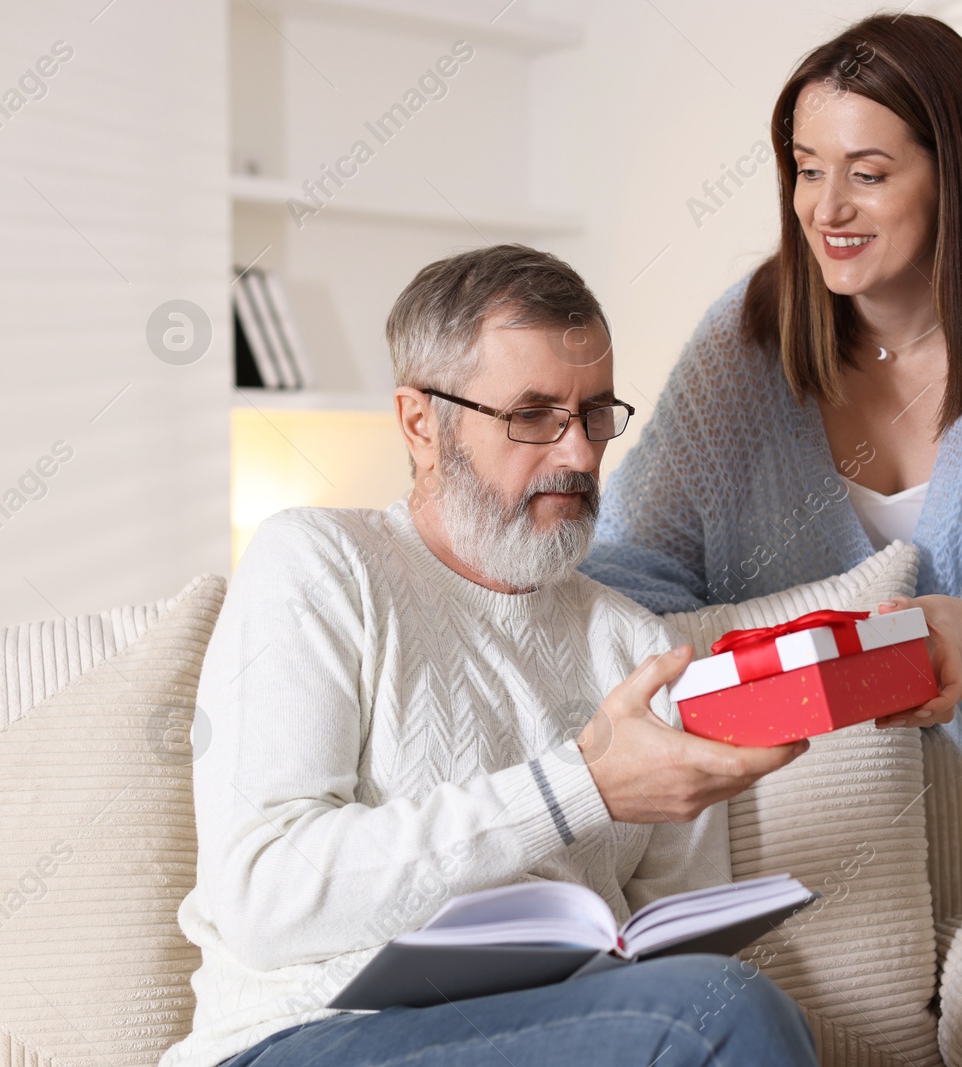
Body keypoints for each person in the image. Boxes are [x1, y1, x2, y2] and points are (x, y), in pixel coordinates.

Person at [162, 245, 817, 1067]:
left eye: (595, 414)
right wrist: (583, 785)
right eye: (534, 416)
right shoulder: (320, 565)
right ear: (419, 423)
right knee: (721, 1017)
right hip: (305, 1036)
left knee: (717, 999)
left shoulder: (640, 648)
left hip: (549, 1036)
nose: (579, 455)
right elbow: (266, 896)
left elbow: (673, 951)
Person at [581, 14, 962, 776]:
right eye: (809, 170)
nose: (826, 208)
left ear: (954, 177)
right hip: (775, 790)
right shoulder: (745, 341)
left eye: (867, 174)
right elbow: (626, 576)